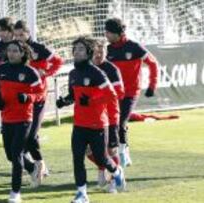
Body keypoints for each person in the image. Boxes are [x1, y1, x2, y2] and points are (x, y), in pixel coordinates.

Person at [56, 37, 126, 203]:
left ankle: (116, 171)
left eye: (81, 49)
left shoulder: (97, 73)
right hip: (79, 124)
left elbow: (112, 96)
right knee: (77, 158)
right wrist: (64, 101)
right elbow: (75, 96)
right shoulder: (73, 74)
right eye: (75, 49)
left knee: (102, 158)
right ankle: (82, 194)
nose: (77, 52)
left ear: (88, 52)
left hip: (98, 125)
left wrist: (93, 100)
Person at [0, 40, 43, 203]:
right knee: (10, 155)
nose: (12, 53)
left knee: (16, 153)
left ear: (22, 53)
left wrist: (29, 97)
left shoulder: (30, 72)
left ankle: (15, 193)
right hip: (7, 118)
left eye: (15, 51)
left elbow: (40, 95)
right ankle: (32, 167)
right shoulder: (0, 70)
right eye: (10, 51)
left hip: (24, 119)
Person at [13, 20, 63, 183]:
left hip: (38, 97)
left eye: (22, 35)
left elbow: (58, 61)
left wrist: (46, 73)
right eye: (16, 35)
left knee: (31, 135)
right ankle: (32, 166)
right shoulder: (15, 50)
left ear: (28, 33)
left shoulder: (39, 48)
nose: (19, 38)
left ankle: (39, 166)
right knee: (22, 136)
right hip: (22, 99)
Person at [105, 18, 158, 167]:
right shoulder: (107, 50)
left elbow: (153, 63)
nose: (106, 34)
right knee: (113, 123)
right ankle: (119, 150)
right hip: (113, 93)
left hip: (130, 93)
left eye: (108, 32)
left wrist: (152, 85)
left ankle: (123, 151)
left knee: (121, 122)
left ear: (118, 33)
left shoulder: (134, 47)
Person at [88, 39, 125, 192]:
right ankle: (102, 167)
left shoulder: (112, 70)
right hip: (91, 116)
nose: (98, 55)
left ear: (106, 53)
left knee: (111, 150)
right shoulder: (87, 69)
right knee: (87, 150)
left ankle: (115, 181)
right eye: (95, 52)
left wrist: (95, 99)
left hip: (110, 116)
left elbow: (119, 92)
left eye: (101, 52)